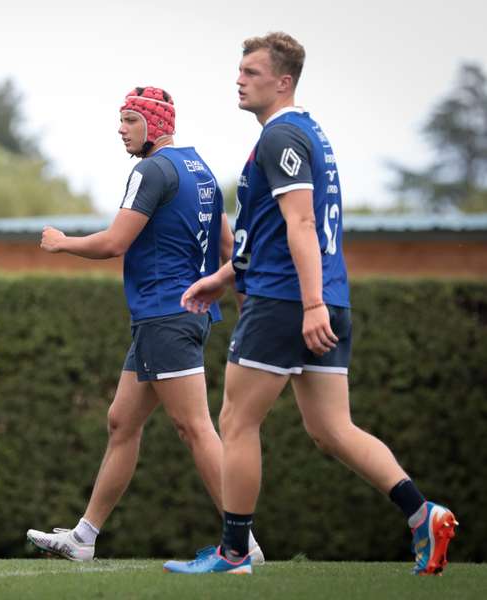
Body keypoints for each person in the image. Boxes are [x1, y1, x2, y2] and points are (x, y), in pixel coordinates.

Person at [163, 32, 457, 576]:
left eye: (251, 72)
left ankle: (233, 554)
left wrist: (310, 303)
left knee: (236, 420)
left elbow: (301, 223)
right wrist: (225, 277)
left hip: (287, 301)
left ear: (283, 81)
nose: (239, 79)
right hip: (319, 298)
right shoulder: (308, 134)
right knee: (331, 429)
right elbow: (274, 232)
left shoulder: (281, 138)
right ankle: (422, 513)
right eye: (239, 70)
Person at [26, 86, 263, 564]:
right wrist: (238, 298)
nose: (121, 128)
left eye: (131, 119)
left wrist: (62, 242)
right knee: (121, 423)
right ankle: (84, 537)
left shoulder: (150, 169)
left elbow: (115, 242)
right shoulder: (199, 168)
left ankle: (244, 545)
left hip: (165, 316)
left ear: (156, 125)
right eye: (121, 119)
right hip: (174, 318)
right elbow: (225, 244)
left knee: (194, 427)